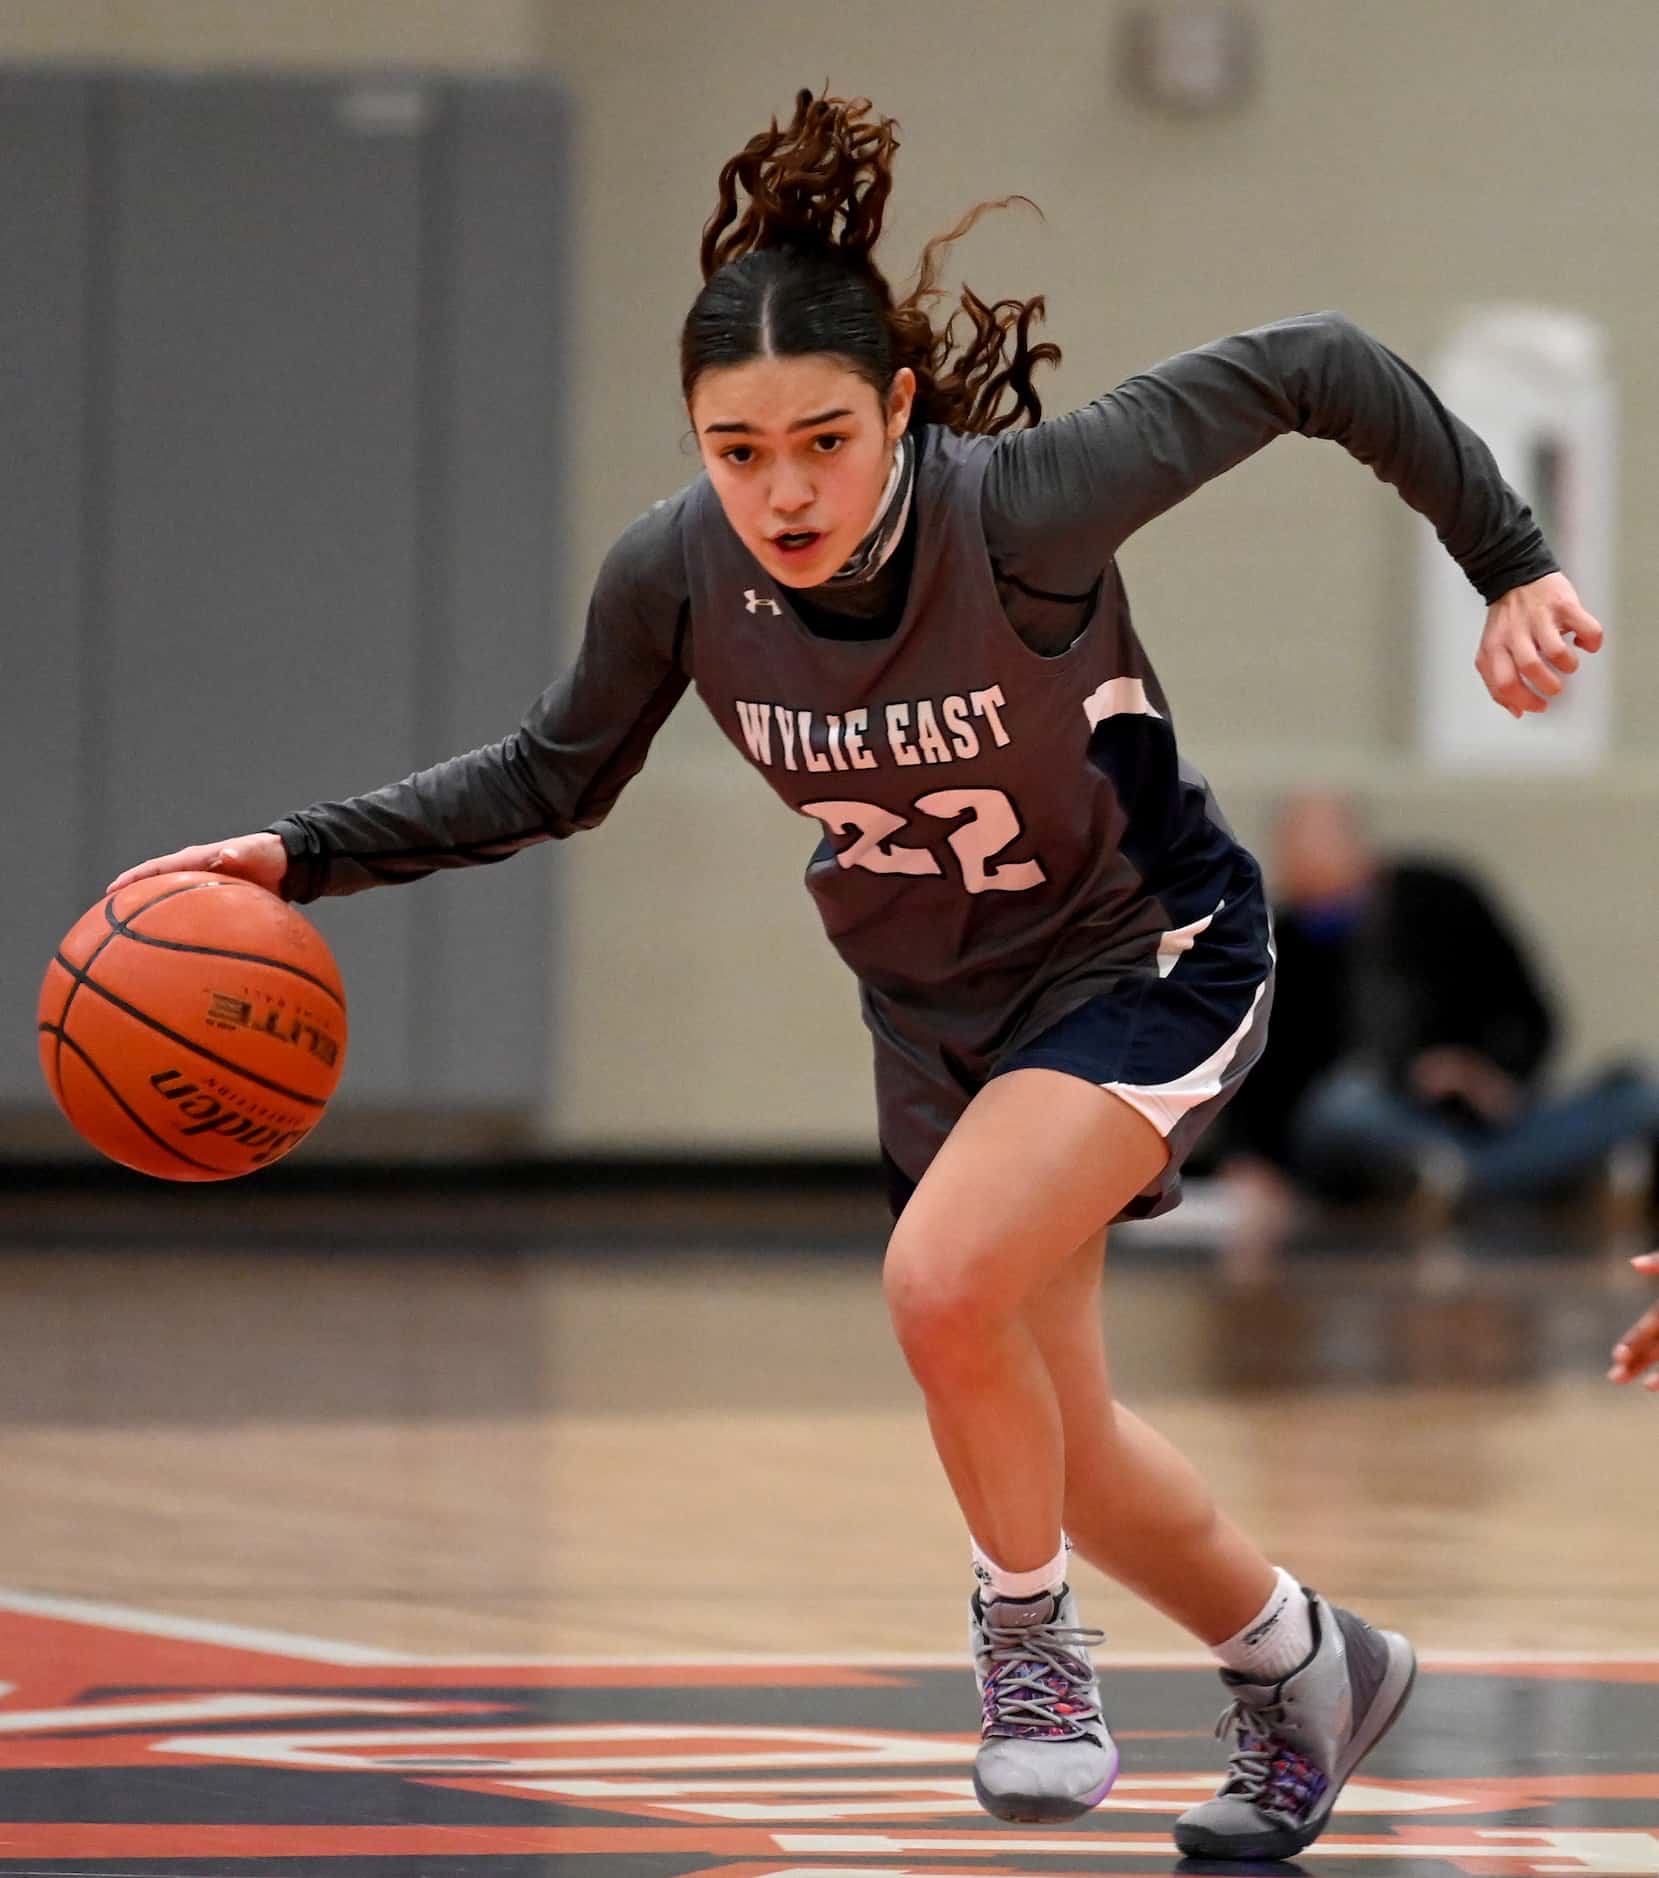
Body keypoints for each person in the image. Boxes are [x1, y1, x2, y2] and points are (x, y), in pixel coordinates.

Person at [107, 90, 1614, 1859]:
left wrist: (1506, 564)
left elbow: (1316, 358)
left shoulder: (1029, 507)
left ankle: (1026, 1644)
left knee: (935, 1282)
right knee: (1064, 1433)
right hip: (935, 1008)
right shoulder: (675, 572)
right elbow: (548, 775)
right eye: (733, 449)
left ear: (898, 405)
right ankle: (1305, 1660)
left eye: (819, 438)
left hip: (1143, 950)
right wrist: (296, 852)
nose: (780, 489)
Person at [1221, 792, 1659, 1253]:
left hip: (1480, 1121)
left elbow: (1533, 1015)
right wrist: (1250, 1156)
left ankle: (1457, 1181)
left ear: (1358, 845)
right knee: (1344, 1103)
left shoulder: (1443, 898)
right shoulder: (1285, 938)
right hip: (1378, 1122)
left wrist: (1486, 1074)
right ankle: (1511, 1180)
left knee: (1636, 1093)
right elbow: (1253, 1065)